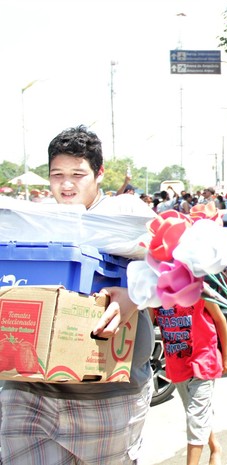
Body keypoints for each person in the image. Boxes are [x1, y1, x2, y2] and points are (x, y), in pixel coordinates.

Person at [0, 125, 156, 464]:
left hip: (108, 395)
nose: (66, 184)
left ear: (99, 174)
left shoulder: (125, 215)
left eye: (77, 174)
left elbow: (179, 268)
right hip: (28, 390)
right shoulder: (35, 221)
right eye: (57, 175)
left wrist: (134, 297)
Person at [153, 297, 227, 465]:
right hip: (178, 366)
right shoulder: (155, 295)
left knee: (195, 417)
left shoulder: (198, 290)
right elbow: (146, 320)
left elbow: (220, 319)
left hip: (203, 362)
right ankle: (215, 446)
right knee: (196, 413)